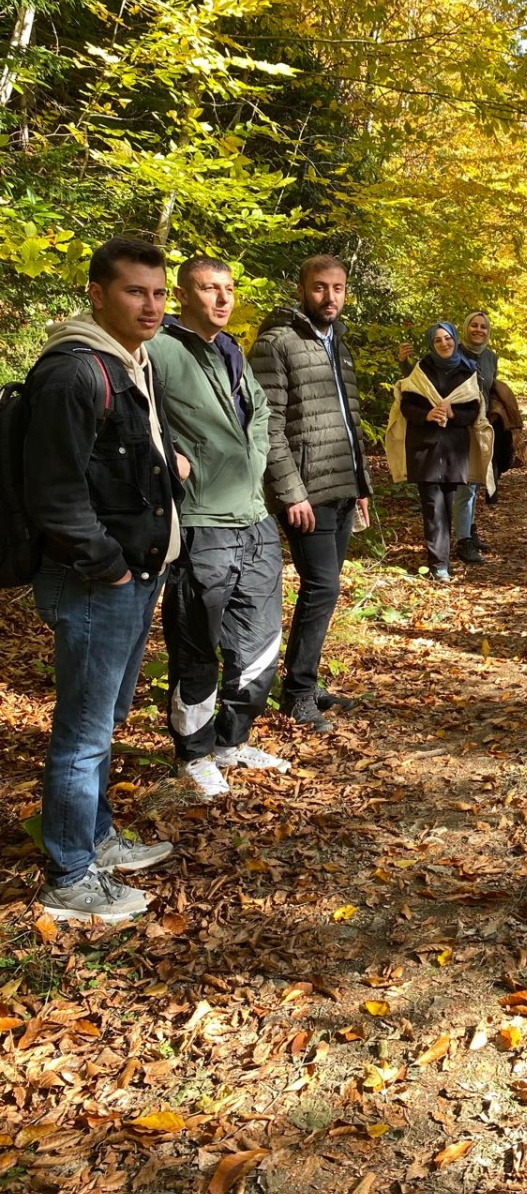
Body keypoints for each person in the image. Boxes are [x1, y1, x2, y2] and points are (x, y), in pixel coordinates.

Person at [24, 237, 182, 923]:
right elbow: (53, 493)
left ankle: (95, 838)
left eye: (158, 292)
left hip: (134, 573)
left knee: (105, 721)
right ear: (97, 294)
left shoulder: (129, 363)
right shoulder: (74, 372)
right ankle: (69, 876)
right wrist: (110, 564)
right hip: (98, 581)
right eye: (134, 291)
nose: (151, 305)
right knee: (83, 733)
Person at [149, 257, 288, 799]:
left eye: (229, 289)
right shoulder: (160, 348)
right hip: (203, 524)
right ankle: (195, 753)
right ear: (183, 295)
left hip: (255, 520)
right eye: (210, 289)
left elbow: (259, 418)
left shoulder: (233, 350)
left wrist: (254, 466)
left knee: (258, 641)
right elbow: (135, 415)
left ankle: (232, 741)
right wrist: (174, 457)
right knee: (196, 646)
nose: (222, 299)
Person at [249, 256, 371, 734]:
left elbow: (349, 418)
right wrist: (290, 492)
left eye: (338, 288)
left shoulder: (338, 342)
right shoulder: (277, 343)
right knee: (322, 588)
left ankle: (304, 681)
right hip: (307, 492)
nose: (330, 298)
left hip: (341, 486)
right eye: (320, 288)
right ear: (302, 288)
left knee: (323, 591)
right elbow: (270, 427)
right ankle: (298, 692)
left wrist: (362, 485)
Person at [385, 323, 493, 581]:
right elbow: (406, 405)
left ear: (455, 340)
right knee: (433, 507)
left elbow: (473, 411)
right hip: (425, 447)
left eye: (448, 339)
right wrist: (427, 414)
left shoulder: (467, 371)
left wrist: (453, 413)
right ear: (431, 344)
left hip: (455, 449)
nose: (444, 344)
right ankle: (438, 565)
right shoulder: (420, 371)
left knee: (447, 503)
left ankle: (443, 559)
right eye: (437, 341)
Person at [451, 311, 498, 565]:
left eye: (483, 326)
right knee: (465, 485)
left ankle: (469, 528)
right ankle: (463, 541)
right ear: (465, 328)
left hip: (482, 426)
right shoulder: (453, 353)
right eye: (474, 325)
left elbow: (491, 388)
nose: (478, 330)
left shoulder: (490, 357)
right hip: (458, 426)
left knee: (476, 481)